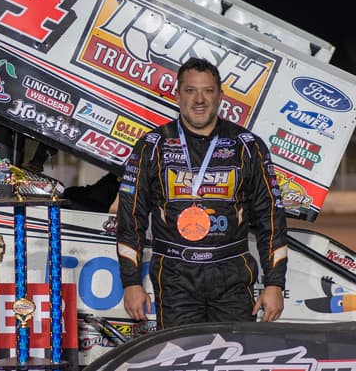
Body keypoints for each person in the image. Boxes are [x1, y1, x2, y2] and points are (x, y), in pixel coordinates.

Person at [116, 57, 288, 329]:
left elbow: (272, 219)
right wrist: (131, 282)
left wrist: (275, 283)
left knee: (233, 358)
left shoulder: (248, 146)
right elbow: (130, 220)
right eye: (190, 90)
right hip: (174, 277)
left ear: (220, 96)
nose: (199, 99)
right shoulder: (152, 146)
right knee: (180, 359)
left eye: (208, 90)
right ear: (177, 94)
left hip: (231, 275)